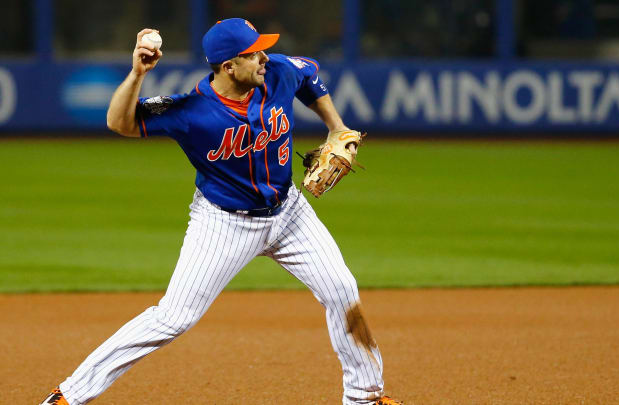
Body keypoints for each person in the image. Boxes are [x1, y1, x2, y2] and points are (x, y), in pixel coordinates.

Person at [40, 18, 401, 405]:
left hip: (290, 212)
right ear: (228, 66)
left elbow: (309, 72)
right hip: (224, 222)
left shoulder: (276, 72)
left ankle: (364, 397)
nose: (264, 57)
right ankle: (70, 394)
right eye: (253, 53)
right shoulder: (190, 110)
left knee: (342, 290)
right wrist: (137, 72)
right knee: (173, 318)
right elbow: (119, 122)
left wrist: (336, 126)